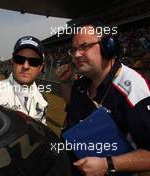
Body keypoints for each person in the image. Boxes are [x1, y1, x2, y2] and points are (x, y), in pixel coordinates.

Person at [56, 22, 150, 175]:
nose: (76, 55)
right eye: (73, 50)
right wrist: (66, 83)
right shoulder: (80, 82)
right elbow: (75, 107)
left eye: (84, 46)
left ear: (108, 47)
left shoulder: (133, 88)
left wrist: (108, 164)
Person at [0, 36, 48, 124]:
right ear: (12, 60)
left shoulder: (42, 99)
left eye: (34, 62)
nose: (25, 66)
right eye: (20, 59)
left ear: (41, 67)